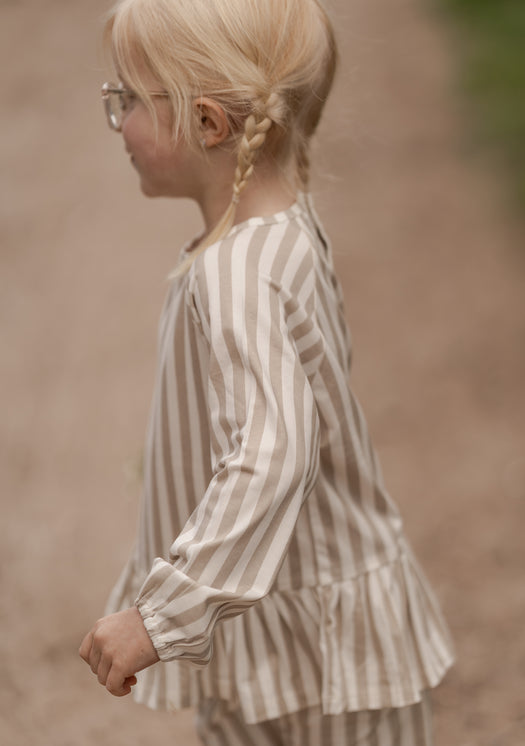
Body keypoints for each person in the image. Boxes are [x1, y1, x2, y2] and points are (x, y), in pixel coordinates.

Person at [79, 0, 454, 742]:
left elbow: (271, 451)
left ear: (209, 123)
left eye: (129, 99)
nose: (118, 121)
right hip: (270, 623)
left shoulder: (236, 272)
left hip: (320, 657)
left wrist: (162, 615)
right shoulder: (280, 228)